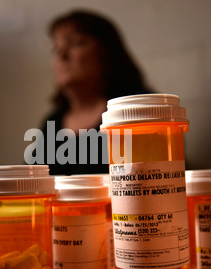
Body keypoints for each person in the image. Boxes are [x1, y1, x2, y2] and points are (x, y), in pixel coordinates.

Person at [40, 9, 154, 175]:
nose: (61, 55)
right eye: (56, 48)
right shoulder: (52, 122)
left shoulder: (139, 111)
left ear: (106, 53)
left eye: (76, 43)